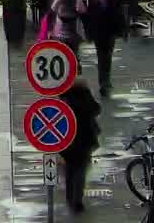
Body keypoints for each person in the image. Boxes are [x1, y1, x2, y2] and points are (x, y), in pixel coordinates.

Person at [58, 79, 101, 212]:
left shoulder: (64, 98)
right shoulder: (84, 94)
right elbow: (96, 109)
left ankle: (71, 197)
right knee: (80, 170)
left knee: (70, 170)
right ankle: (76, 200)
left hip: (67, 140)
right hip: (84, 140)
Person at [83, 0, 124, 95]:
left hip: (110, 35)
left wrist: (122, 31)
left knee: (108, 57)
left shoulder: (114, 2)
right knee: (102, 58)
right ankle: (103, 82)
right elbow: (88, 21)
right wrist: (89, 35)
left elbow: (120, 18)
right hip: (99, 36)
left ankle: (106, 80)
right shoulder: (93, 3)